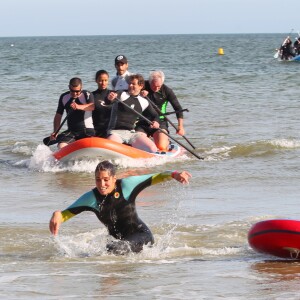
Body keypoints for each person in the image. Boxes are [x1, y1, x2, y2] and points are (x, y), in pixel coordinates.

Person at [49, 160, 192, 255]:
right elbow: (65, 214)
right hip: (119, 242)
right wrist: (57, 214)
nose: (102, 184)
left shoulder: (126, 186)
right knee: (107, 251)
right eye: (98, 180)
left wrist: (174, 174)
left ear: (114, 179)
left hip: (142, 236)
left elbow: (157, 176)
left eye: (106, 180)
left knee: (114, 249)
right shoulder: (91, 197)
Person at [107, 74, 160, 153]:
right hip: (116, 133)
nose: (130, 85)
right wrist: (110, 98)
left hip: (132, 133)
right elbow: (111, 100)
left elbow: (155, 115)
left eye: (133, 84)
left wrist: (156, 122)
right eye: (129, 83)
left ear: (141, 86)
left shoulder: (144, 102)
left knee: (152, 148)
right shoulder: (122, 94)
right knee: (110, 149)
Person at [136, 70, 185, 151]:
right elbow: (131, 93)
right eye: (154, 86)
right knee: (137, 144)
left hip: (160, 121)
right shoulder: (142, 86)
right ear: (149, 81)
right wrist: (139, 93)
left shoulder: (167, 91)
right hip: (143, 121)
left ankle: (166, 142)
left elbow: (178, 109)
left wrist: (180, 126)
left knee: (161, 147)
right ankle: (150, 140)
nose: (156, 88)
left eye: (159, 86)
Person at [50, 77, 95, 149]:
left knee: (88, 146)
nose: (74, 94)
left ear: (81, 87)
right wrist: (55, 131)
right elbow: (58, 115)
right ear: (69, 87)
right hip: (72, 131)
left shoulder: (87, 94)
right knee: (61, 146)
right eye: (72, 91)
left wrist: (78, 106)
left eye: (77, 91)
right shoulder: (64, 97)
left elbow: (92, 106)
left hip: (87, 130)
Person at [92, 70, 113, 137]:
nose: (103, 83)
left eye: (105, 80)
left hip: (110, 129)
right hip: (96, 128)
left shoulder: (113, 94)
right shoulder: (92, 95)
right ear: (96, 81)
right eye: (101, 80)